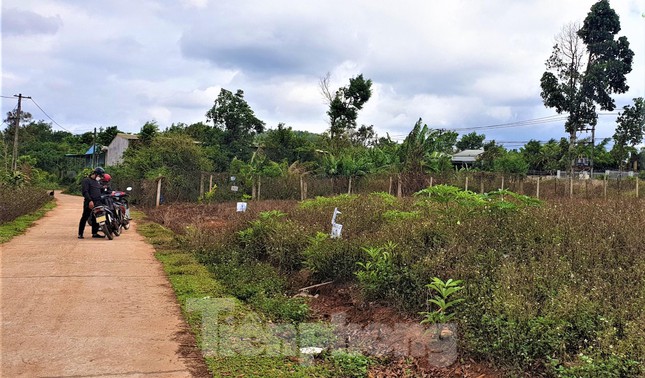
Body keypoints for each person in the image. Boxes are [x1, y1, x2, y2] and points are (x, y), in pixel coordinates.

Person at [78, 167, 105, 239]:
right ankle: (80, 233)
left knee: (98, 217)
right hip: (89, 202)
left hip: (98, 202)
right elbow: (85, 192)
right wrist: (90, 200)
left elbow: (100, 190)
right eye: (99, 176)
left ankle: (95, 233)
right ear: (95, 174)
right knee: (85, 217)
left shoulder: (97, 182)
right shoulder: (86, 181)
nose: (100, 177)